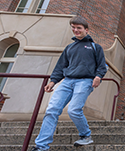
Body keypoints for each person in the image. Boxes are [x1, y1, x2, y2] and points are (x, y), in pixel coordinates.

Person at [31, 16, 107, 151]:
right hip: (67, 81)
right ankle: (41, 146)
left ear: (86, 30)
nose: (76, 30)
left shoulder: (95, 47)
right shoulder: (69, 48)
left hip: (85, 81)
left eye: (79, 28)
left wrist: (98, 77)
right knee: (52, 110)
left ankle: (85, 136)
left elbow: (102, 66)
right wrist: (53, 81)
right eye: (73, 27)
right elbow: (61, 66)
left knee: (73, 110)